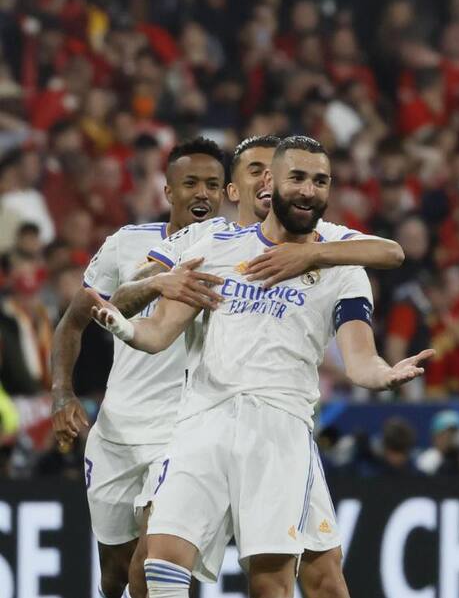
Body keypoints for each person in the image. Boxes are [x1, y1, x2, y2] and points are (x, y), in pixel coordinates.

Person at [88, 135, 434, 598]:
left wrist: (383, 374)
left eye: (320, 181)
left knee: (280, 582)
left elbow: (361, 355)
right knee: (161, 560)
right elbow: (155, 330)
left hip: (278, 428)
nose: (309, 190)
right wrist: (123, 326)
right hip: (202, 418)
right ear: (270, 183)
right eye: (298, 178)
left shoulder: (342, 260)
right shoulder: (217, 242)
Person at [49, 137, 228, 598]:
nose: (202, 193)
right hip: (117, 433)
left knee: (156, 574)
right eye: (191, 183)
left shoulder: (233, 253)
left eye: (213, 183)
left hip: (183, 435)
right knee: (114, 575)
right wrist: (62, 393)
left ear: (227, 191)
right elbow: (74, 322)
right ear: (168, 191)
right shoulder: (126, 244)